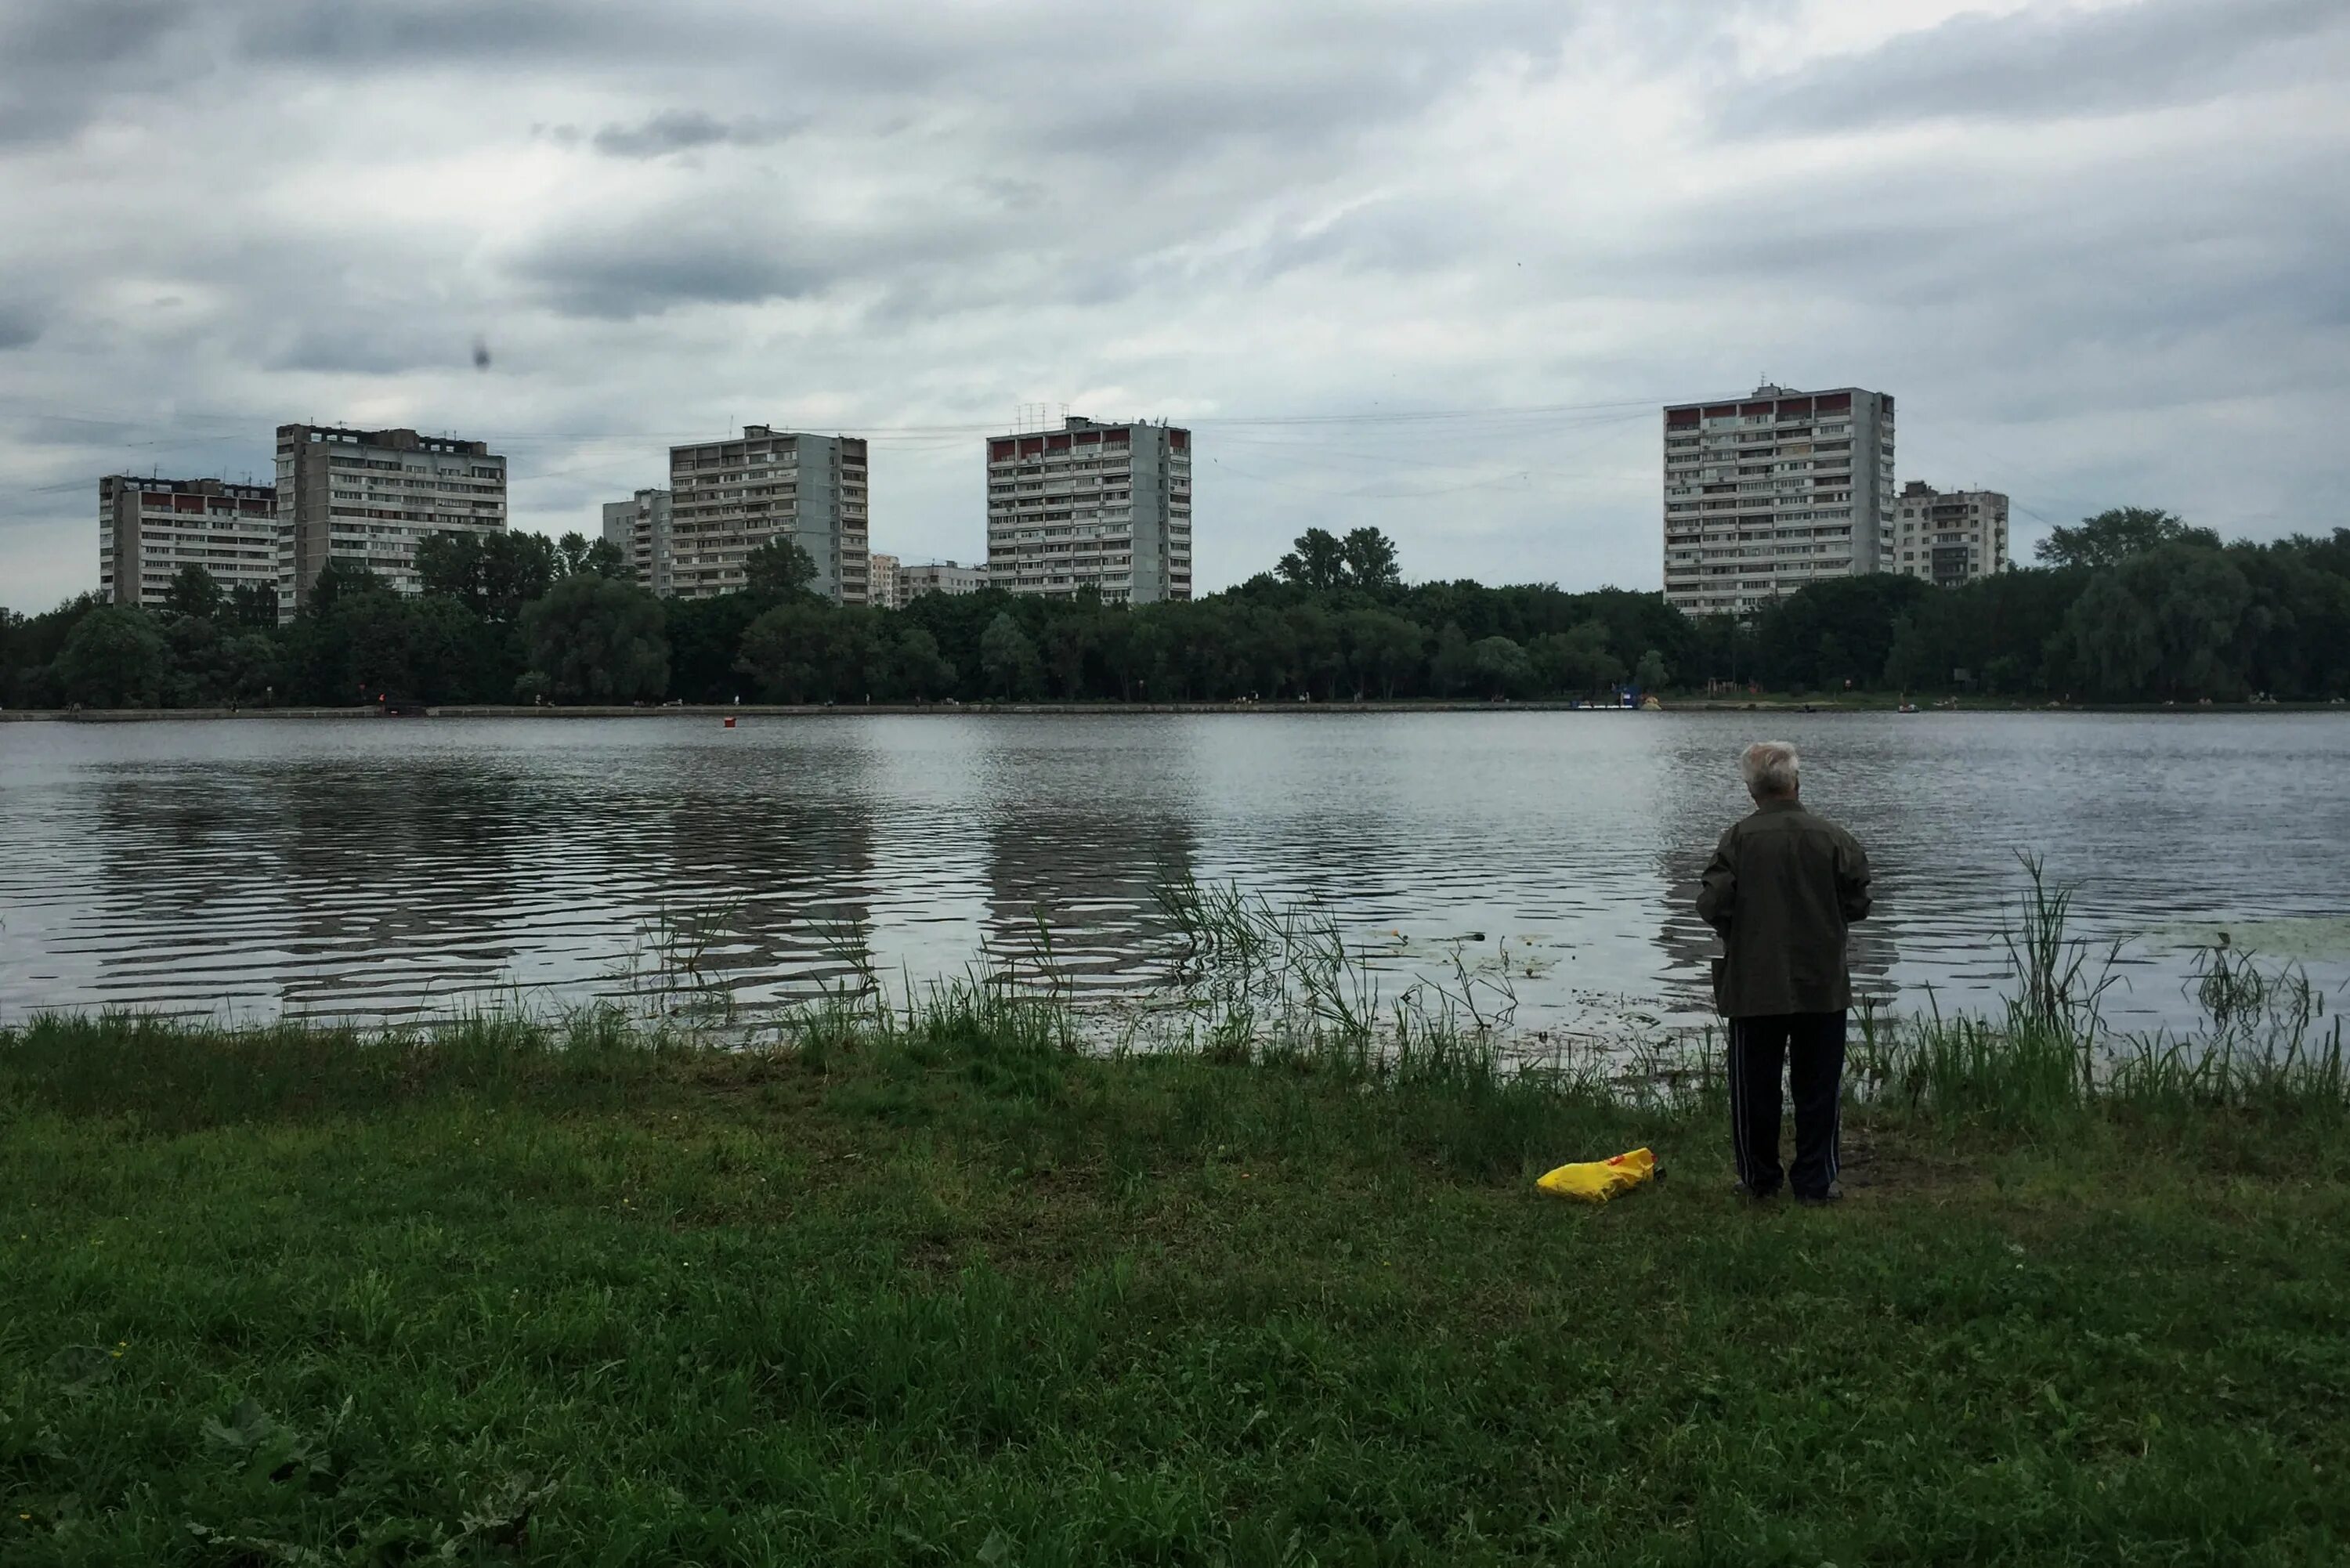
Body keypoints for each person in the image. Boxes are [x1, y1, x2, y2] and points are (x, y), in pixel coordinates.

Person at [1695, 741, 1872, 1205]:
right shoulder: (1834, 838)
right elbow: (1859, 902)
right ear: (1796, 783)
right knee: (1819, 1087)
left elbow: (1711, 903)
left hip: (1756, 985)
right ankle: (1816, 1183)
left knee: (1754, 1089)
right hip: (1822, 983)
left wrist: (1741, 931)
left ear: (1752, 791)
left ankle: (1759, 1180)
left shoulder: (1737, 840)